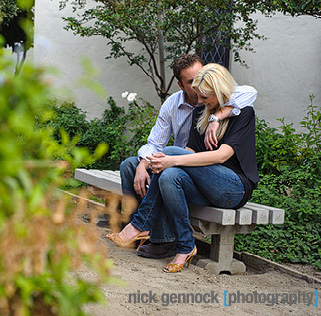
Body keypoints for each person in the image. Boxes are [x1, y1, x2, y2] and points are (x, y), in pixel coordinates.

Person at [108, 63, 258, 273]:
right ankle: (186, 246)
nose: (201, 102)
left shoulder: (244, 114)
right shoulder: (203, 111)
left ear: (220, 92)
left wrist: (172, 158)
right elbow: (190, 150)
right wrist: (160, 163)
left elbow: (222, 155)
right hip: (206, 186)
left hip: (233, 188)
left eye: (206, 98)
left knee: (172, 155)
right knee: (169, 175)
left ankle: (140, 224)